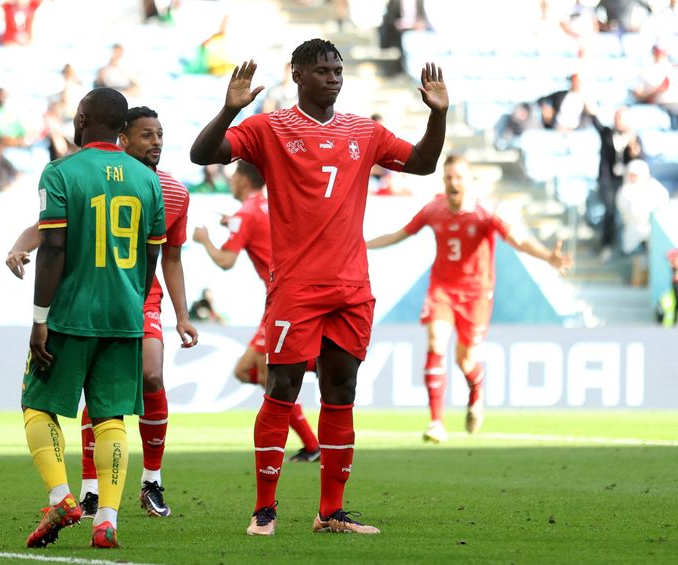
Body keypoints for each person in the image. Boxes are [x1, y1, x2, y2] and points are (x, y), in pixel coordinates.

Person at [189, 38, 449, 536]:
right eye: (323, 70)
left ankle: (331, 512)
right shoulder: (270, 127)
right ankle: (264, 509)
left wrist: (437, 116)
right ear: (298, 75)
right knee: (281, 388)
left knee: (341, 391)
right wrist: (228, 110)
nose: (334, 76)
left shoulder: (364, 131)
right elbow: (204, 153)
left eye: (338, 68)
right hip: (296, 287)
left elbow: (422, 163)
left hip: (351, 287)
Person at [7, 104, 198, 521]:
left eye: (161, 134)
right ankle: (100, 507)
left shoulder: (68, 171)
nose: (157, 142)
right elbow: (150, 255)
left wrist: (179, 314)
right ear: (122, 135)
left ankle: (87, 493)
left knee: (47, 401)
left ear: (82, 121)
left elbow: (169, 257)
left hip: (86, 307)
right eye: (147, 134)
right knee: (110, 409)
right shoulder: (146, 182)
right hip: (127, 306)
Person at [366, 154, 573, 444]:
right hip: (442, 289)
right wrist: (361, 245)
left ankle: (476, 389)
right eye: (449, 177)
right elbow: (399, 235)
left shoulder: (486, 213)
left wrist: (547, 257)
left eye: (458, 177)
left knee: (465, 361)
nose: (453, 183)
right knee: (436, 342)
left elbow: (518, 241)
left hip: (476, 295)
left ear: (468, 181)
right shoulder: (433, 210)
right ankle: (436, 421)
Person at [192, 160, 321, 462]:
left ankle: (313, 443)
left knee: (268, 372)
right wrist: (233, 222)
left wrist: (205, 239)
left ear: (244, 180)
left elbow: (226, 261)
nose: (231, 181)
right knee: (244, 370)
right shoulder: (269, 205)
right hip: (287, 296)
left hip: (284, 298)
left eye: (234, 175)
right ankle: (311, 369)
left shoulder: (245, 213)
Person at [584, 103, 645, 261]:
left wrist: (634, 152)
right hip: (608, 180)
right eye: (617, 117)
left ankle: (627, 248)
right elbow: (596, 122)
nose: (618, 120)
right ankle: (607, 246)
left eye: (621, 117)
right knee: (610, 210)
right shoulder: (607, 133)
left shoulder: (635, 138)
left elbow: (640, 163)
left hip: (625, 183)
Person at [615, 159, 669, 286]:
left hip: (654, 232)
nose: (632, 177)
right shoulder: (625, 190)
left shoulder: (655, 188)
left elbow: (661, 204)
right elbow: (632, 212)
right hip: (634, 232)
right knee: (639, 263)